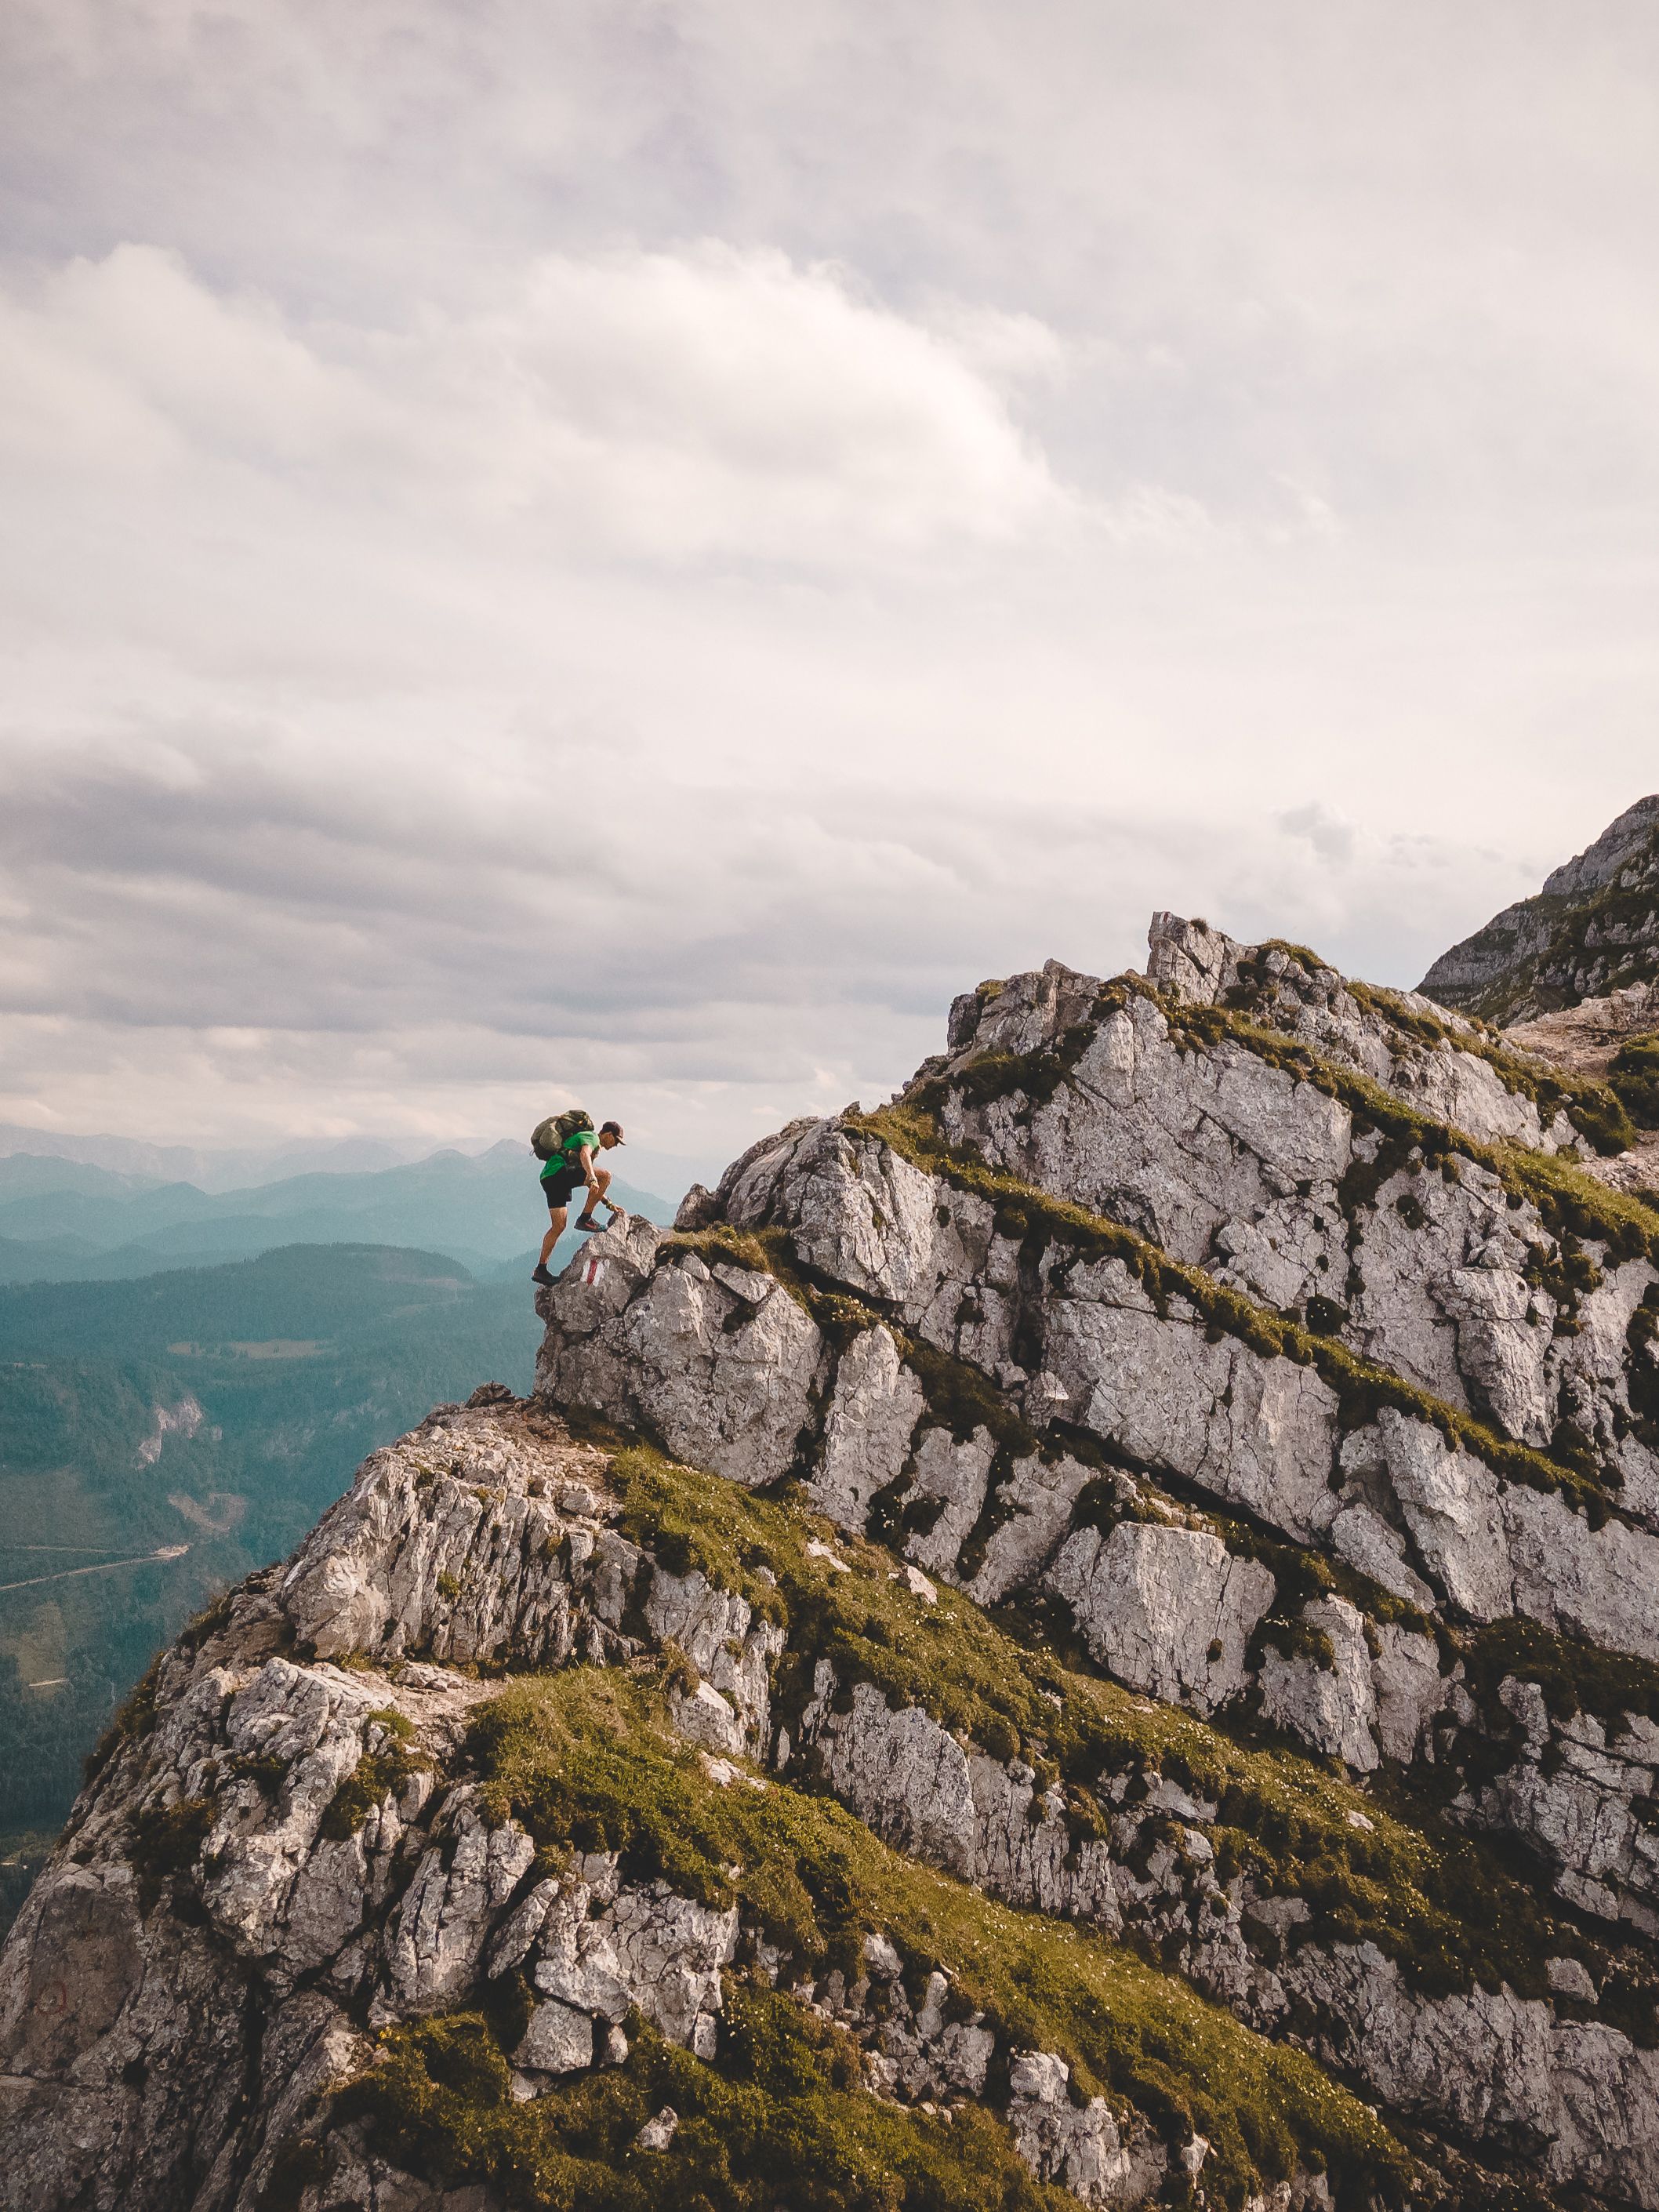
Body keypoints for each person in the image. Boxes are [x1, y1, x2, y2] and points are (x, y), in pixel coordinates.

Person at [532, 1119, 626, 1286]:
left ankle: (541, 1270)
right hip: (560, 1172)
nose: (616, 1145)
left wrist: (609, 1204)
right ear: (609, 1135)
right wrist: (593, 1177)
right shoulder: (592, 1138)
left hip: (550, 1177)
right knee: (606, 1176)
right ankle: (585, 1219)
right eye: (616, 1141)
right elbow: (585, 1155)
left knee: (559, 1226)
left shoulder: (590, 1143)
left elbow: (591, 1183)